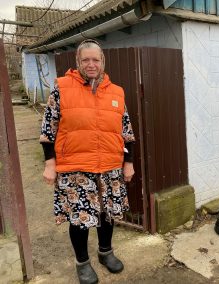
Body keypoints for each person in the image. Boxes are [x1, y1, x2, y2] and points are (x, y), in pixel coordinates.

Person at [40, 39, 135, 284]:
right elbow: (48, 130)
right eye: (86, 60)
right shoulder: (61, 88)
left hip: (110, 167)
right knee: (80, 218)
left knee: (107, 214)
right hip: (75, 169)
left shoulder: (116, 92)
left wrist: (129, 162)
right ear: (78, 62)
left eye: (96, 59)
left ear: (102, 61)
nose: (91, 64)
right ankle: (82, 262)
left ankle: (106, 252)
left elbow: (126, 132)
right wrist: (50, 164)